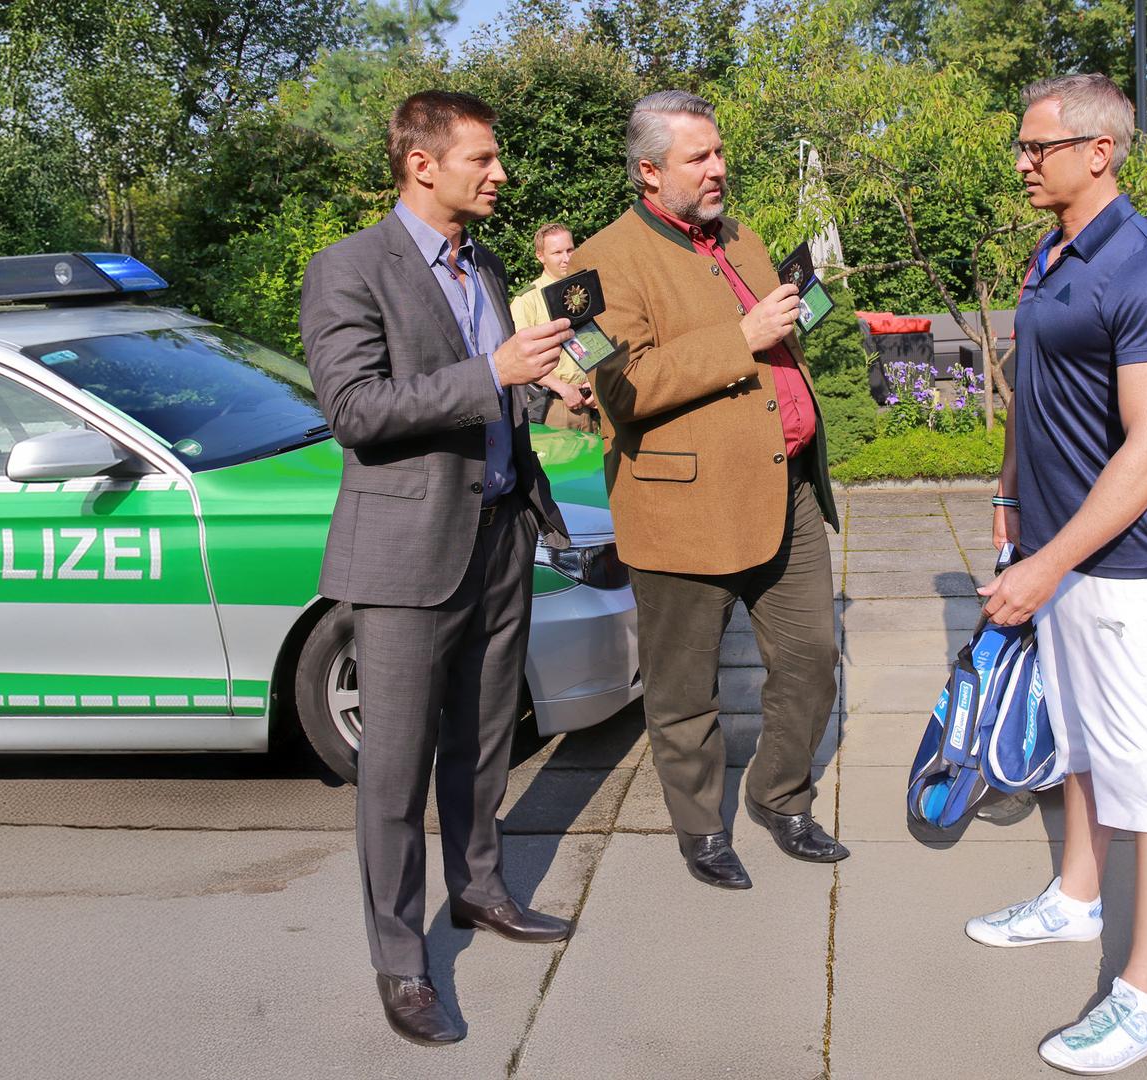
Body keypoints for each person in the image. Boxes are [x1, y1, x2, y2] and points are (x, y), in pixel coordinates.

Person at [298, 89, 577, 1047]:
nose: (499, 174)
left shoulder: (486, 263)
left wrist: (538, 393)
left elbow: (499, 393)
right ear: (423, 164)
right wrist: (492, 374)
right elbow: (357, 411)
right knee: (394, 769)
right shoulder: (348, 270)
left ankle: (480, 889)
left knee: (486, 741)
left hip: (498, 537)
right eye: (483, 160)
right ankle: (400, 961)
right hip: (406, 554)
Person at [966, 73, 1147, 1076]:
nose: (1022, 162)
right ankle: (1074, 899)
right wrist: (1014, 499)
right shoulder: (1054, 248)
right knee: (1077, 741)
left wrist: (1053, 564)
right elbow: (1038, 387)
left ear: (1099, 151)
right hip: (1057, 553)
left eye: (1038, 148)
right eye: (1023, 148)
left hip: (1123, 568)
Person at [570, 90, 846, 891]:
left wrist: (795, 313)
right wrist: (743, 336)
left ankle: (780, 797)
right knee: (684, 686)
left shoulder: (743, 238)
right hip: (680, 505)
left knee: (813, 659)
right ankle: (699, 826)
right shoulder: (600, 263)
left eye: (719, 151)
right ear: (650, 172)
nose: (719, 167)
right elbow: (623, 389)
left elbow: (772, 340)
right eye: (700, 157)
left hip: (783, 486)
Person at [510, 223, 600, 432]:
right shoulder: (526, 301)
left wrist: (597, 386)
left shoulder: (585, 293)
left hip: (591, 404)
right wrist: (563, 389)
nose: (566, 258)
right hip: (553, 406)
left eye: (570, 249)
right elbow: (521, 359)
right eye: (557, 252)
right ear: (540, 256)